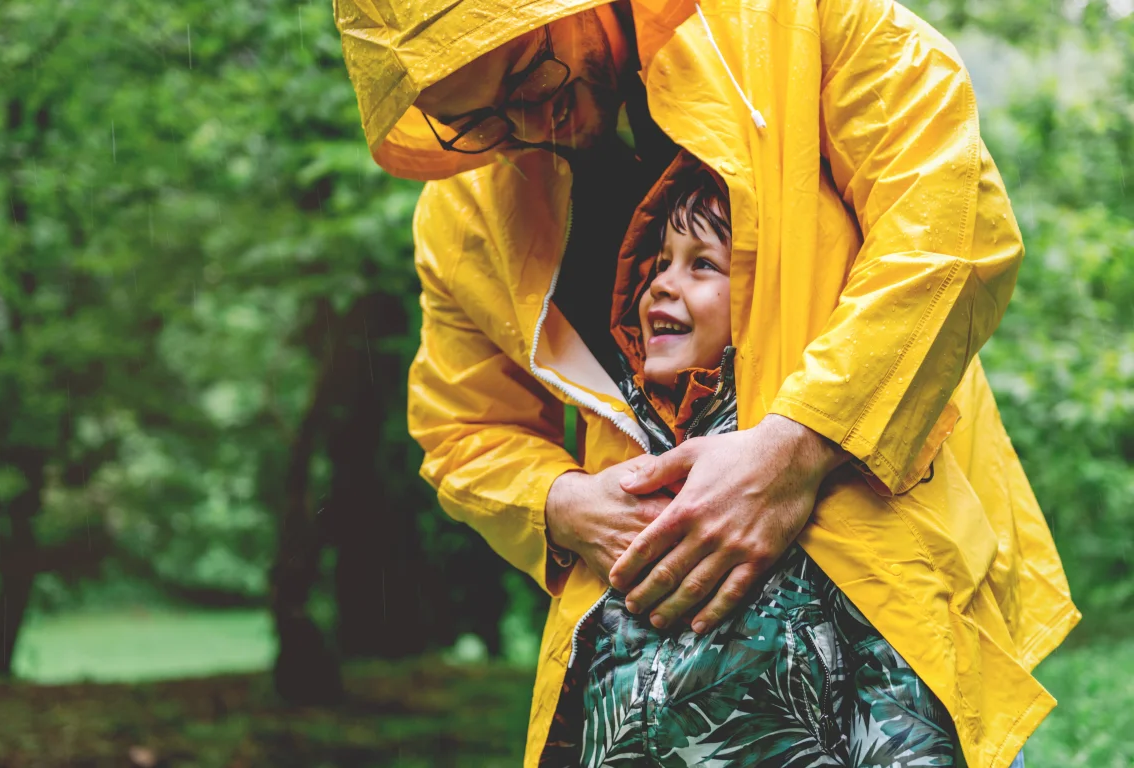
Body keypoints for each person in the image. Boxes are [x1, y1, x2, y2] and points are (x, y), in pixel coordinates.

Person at [332, 0, 1080, 766]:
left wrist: (799, 446)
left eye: (530, 73)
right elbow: (462, 429)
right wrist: (560, 504)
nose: (527, 124)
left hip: (885, 620)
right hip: (646, 685)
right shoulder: (464, 217)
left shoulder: (800, 20)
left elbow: (949, 232)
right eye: (477, 121)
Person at [566, 152, 957, 767]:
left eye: (702, 265)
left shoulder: (820, 468)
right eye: (660, 263)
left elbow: (901, 689)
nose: (662, 283)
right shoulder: (628, 454)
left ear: (762, 295)